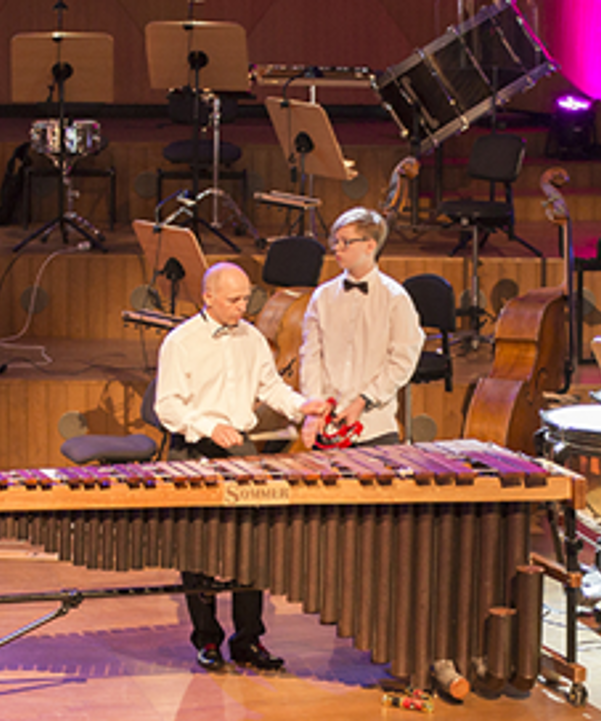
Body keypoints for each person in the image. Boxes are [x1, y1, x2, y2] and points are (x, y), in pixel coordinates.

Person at [154, 262, 330, 672]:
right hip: (194, 448)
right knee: (198, 549)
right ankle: (207, 638)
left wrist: (302, 405)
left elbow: (271, 388)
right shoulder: (180, 342)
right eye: (233, 300)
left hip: (240, 450)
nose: (242, 307)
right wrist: (208, 426)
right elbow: (168, 407)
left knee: (252, 546)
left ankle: (248, 639)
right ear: (208, 297)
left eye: (246, 298)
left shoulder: (251, 338)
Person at [298, 207, 425, 447]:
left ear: (370, 246)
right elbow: (311, 356)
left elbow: (403, 360)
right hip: (328, 424)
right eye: (335, 241)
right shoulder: (322, 296)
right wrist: (314, 405)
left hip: (374, 426)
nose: (337, 248)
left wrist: (363, 400)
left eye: (346, 242)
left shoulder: (395, 298)